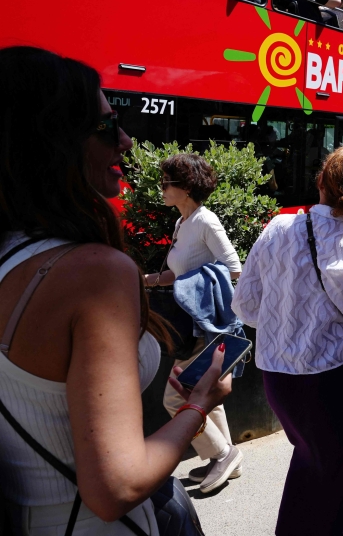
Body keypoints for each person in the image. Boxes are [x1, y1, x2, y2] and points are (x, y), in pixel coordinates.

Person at [0, 46, 232, 533]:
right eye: (107, 126)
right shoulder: (95, 272)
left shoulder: (14, 256)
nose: (126, 142)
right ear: (53, 141)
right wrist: (199, 405)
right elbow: (116, 488)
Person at [232, 145, 343, 536]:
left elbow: (246, 305)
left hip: (278, 380)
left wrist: (286, 328)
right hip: (335, 383)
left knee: (309, 463)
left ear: (320, 181)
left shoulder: (277, 228)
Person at [143, 153, 245, 494]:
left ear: (185, 188)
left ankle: (223, 453)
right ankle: (223, 460)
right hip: (186, 325)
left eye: (166, 182)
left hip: (204, 326)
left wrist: (203, 291)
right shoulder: (183, 222)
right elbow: (181, 271)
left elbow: (234, 268)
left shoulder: (205, 221)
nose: (162, 187)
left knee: (176, 398)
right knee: (199, 392)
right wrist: (147, 280)